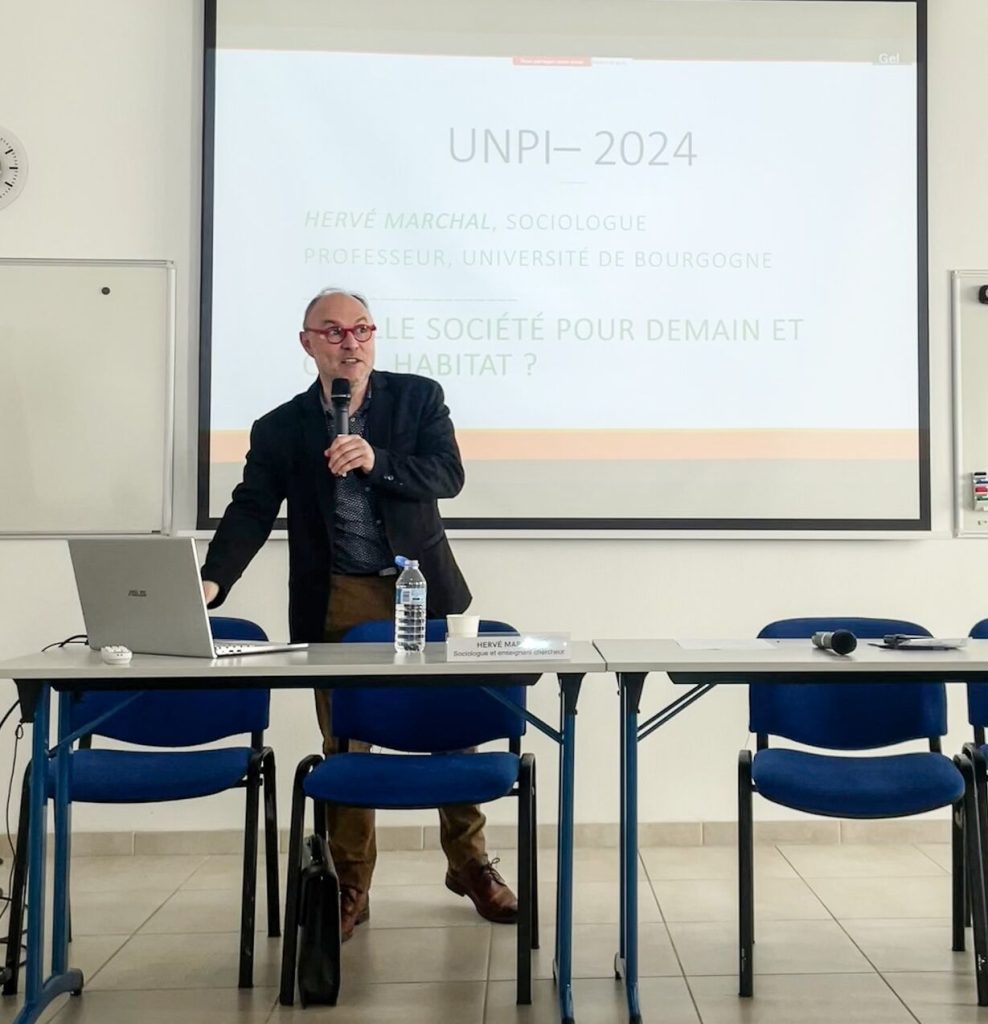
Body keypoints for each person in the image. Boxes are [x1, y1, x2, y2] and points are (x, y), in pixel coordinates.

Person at [200, 287, 517, 940]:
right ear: (308, 342)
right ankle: (351, 881)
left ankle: (470, 862)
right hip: (339, 594)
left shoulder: (417, 398)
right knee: (347, 740)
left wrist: (378, 462)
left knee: (452, 728)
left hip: (422, 590)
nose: (351, 343)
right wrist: (212, 579)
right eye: (335, 331)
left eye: (362, 329)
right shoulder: (282, 427)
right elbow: (252, 509)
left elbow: (447, 475)